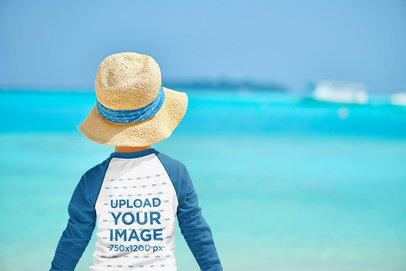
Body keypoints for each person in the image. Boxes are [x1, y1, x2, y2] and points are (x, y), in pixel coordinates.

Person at [49, 52, 223, 271]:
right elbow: (197, 235)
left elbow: (73, 243)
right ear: (159, 112)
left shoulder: (92, 181)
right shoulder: (176, 174)